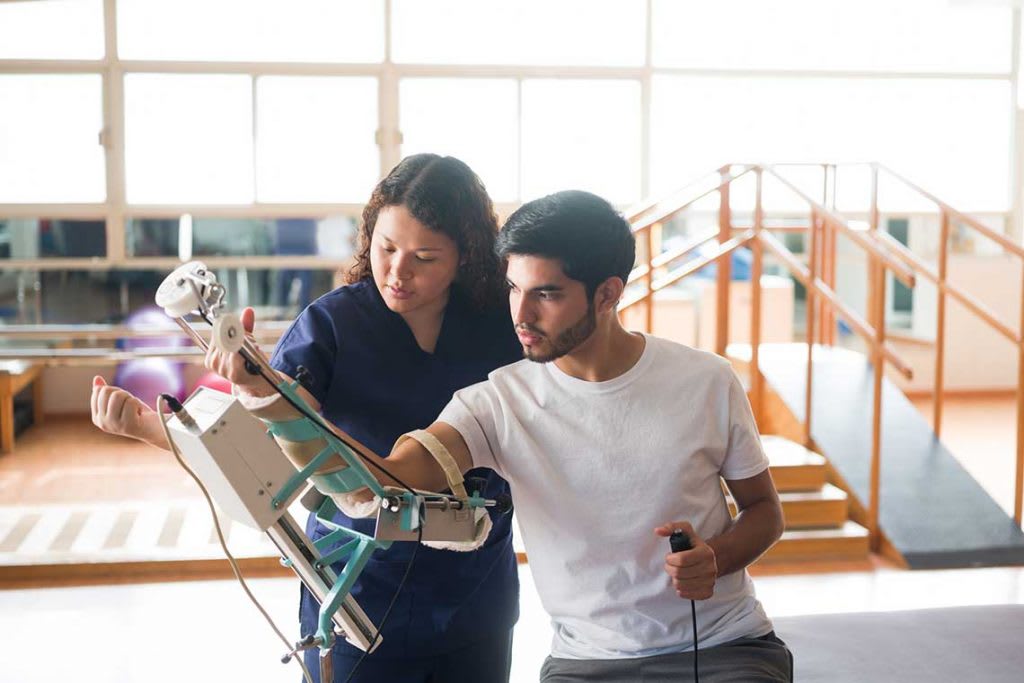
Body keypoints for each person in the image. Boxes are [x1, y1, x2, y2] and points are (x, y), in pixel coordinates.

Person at [90, 154, 522, 682]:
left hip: (473, 593)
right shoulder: (332, 324)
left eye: (424, 258)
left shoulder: (502, 327)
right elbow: (261, 446)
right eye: (387, 248)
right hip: (357, 590)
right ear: (369, 236)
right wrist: (146, 424)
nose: (398, 272)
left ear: (466, 257)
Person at [366, 189, 793, 682]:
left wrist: (715, 559)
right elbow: (391, 478)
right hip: (585, 663)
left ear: (608, 294)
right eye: (513, 289)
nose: (521, 315)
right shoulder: (498, 401)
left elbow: (765, 511)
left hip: (725, 646)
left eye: (546, 294)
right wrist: (274, 405)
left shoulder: (706, 380)